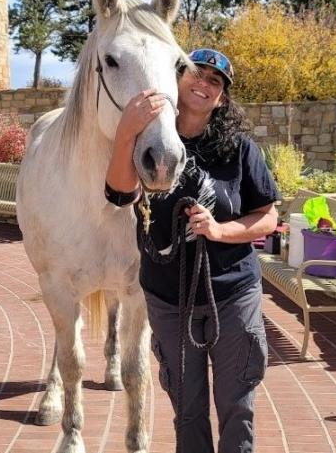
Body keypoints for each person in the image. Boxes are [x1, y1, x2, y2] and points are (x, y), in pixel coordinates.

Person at [105, 49, 280, 452]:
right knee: (187, 406)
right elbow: (119, 193)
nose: (203, 84)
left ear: (221, 99)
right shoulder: (150, 139)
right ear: (177, 79)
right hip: (169, 298)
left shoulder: (239, 150)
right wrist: (126, 132)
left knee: (237, 404)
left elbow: (267, 218)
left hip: (232, 295)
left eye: (215, 82)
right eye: (196, 75)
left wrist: (219, 230)